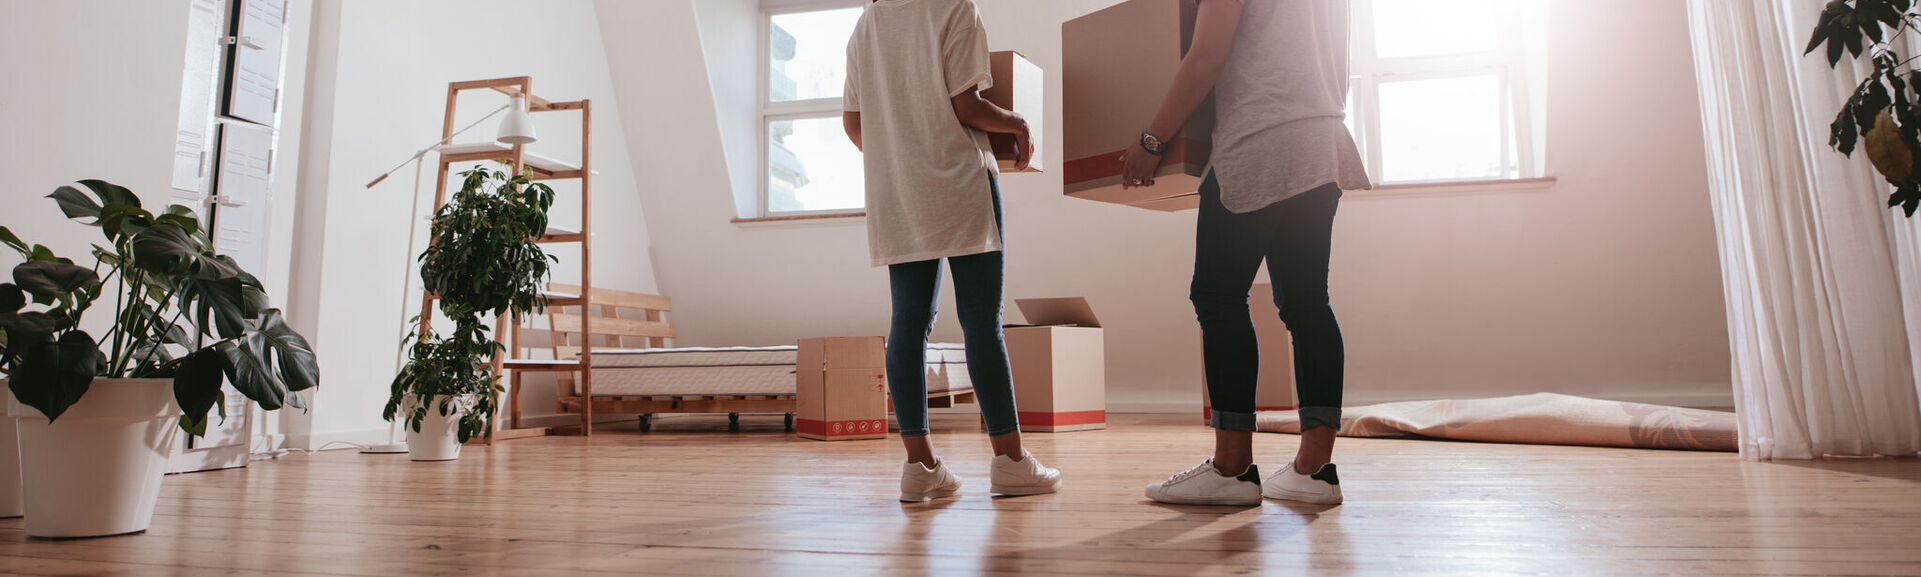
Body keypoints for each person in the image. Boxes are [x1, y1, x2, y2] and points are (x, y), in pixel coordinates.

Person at [1129, 0, 1372, 506]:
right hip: (1321, 140)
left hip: (1259, 141)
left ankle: (1232, 469)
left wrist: (1152, 140)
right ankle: (1313, 469)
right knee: (1308, 305)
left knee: (1218, 298)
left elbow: (1207, 56)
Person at [842, 0, 1062, 502]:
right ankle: (1010, 462)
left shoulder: (866, 25)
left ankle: (920, 467)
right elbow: (967, 106)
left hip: (899, 195)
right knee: (981, 320)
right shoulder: (955, 7)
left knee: (908, 322)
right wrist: (1019, 123)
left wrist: (904, 158)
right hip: (961, 184)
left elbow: (855, 124)